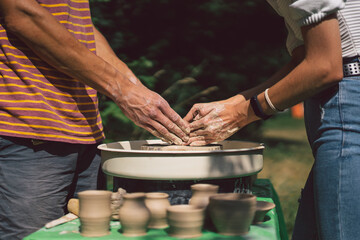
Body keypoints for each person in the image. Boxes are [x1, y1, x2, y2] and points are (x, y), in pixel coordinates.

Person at [0, 0, 189, 239]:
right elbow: (20, 12)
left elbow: (78, 29)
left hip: (86, 135)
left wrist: (134, 87)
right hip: (29, 132)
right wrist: (122, 90)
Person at [184, 0, 360, 239]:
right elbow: (305, 60)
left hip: (346, 102)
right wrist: (234, 103)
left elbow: (326, 66)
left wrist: (243, 113)